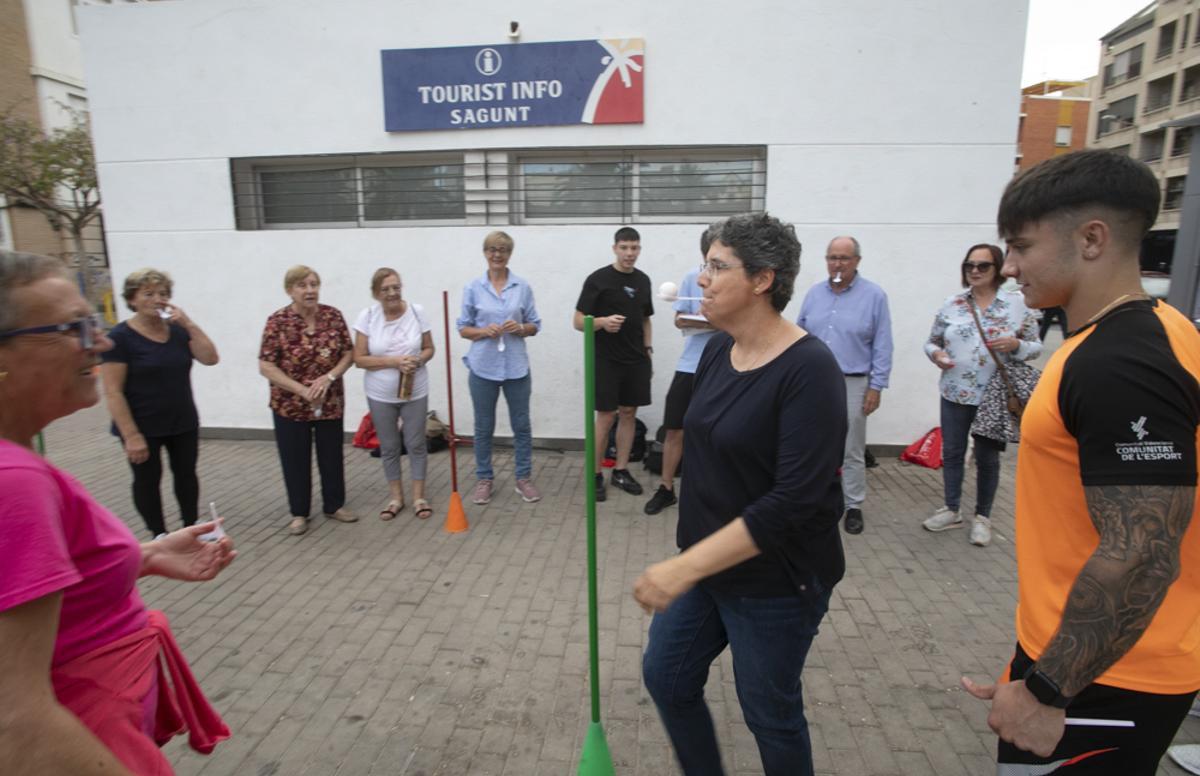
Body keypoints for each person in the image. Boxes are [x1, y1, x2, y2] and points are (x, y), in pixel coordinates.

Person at [962, 149, 1200, 772]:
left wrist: (1046, 689)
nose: (1009, 267)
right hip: (1085, 659)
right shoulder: (1139, 332)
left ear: (1091, 239)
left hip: (1112, 676)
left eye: (1021, 247)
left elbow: (1143, 552)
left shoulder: (1121, 360)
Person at [0, 249, 236, 774]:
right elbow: (17, 722)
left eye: (95, 324)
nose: (99, 342)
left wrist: (146, 555)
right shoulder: (14, 481)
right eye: (73, 329)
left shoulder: (18, 465)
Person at [635, 214, 846, 776]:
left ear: (761, 280)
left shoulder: (810, 370)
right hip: (706, 568)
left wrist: (683, 568)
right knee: (667, 677)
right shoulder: (713, 352)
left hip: (775, 580)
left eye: (716, 266)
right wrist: (692, 560)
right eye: (704, 265)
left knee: (769, 714)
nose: (700, 279)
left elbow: (792, 503)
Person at [921, 244, 1041, 547]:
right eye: (969, 265)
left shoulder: (1016, 305)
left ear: (997, 269)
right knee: (952, 452)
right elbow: (931, 341)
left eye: (983, 266)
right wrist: (937, 355)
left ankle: (982, 517)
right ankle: (951, 509)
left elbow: (1035, 346)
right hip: (955, 390)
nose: (975, 271)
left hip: (994, 396)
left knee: (987, 458)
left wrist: (1016, 345)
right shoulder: (953, 304)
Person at [100, 269, 219, 539]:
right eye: (149, 293)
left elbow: (210, 358)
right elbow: (113, 392)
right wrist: (131, 435)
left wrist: (189, 324)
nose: (158, 299)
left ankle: (192, 526)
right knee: (147, 480)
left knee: (186, 475)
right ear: (132, 299)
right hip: (142, 425)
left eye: (163, 293)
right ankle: (158, 533)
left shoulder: (178, 331)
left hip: (182, 421)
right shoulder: (120, 338)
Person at [796, 236, 892, 535]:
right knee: (811, 442)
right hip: (814, 382)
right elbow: (799, 335)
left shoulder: (874, 296)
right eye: (832, 257)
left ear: (857, 262)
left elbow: (883, 344)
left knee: (851, 446)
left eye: (844, 258)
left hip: (853, 381)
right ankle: (813, 497)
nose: (837, 263)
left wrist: (876, 387)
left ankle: (852, 505)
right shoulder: (814, 294)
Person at [258, 265, 355, 536]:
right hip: (290, 405)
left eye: (314, 284)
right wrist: (301, 390)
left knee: (331, 455)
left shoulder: (333, 316)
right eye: (303, 285)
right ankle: (299, 512)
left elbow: (349, 353)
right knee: (295, 459)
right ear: (290, 290)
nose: (310, 290)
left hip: (329, 402)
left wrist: (330, 377)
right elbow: (266, 365)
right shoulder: (277, 322)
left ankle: (334, 505)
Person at [457, 231, 542, 506]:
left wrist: (520, 328)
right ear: (485, 252)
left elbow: (535, 324)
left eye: (503, 250)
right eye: (492, 249)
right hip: (483, 366)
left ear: (509, 254)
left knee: (522, 425)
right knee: (483, 426)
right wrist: (483, 331)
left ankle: (523, 478)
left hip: (516, 366)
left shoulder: (522, 286)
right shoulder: (473, 287)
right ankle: (484, 479)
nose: (497, 254)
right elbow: (463, 328)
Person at [574, 226, 653, 502]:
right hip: (606, 361)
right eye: (624, 248)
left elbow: (645, 319)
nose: (629, 253)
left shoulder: (643, 280)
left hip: (636, 360)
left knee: (629, 413)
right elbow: (577, 321)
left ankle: (620, 471)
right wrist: (602, 322)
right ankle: (596, 475)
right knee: (606, 417)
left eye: (634, 248)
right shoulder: (598, 280)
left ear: (639, 249)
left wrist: (648, 350)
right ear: (615, 248)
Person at [643, 227, 719, 515]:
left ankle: (708, 492)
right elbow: (679, 321)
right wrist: (711, 321)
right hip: (689, 365)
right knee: (674, 427)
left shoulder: (733, 280)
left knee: (714, 432)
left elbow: (734, 323)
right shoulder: (691, 278)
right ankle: (666, 488)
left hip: (722, 364)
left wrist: (705, 321)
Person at [354, 268, 436, 520]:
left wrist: (418, 361)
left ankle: (419, 497)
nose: (392, 293)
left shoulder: (416, 312)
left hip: (415, 390)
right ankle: (396, 498)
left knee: (415, 443)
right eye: (386, 289)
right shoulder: (367, 317)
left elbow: (429, 348)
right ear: (376, 293)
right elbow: (359, 359)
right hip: (380, 394)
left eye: (396, 287)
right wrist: (393, 362)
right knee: (389, 446)